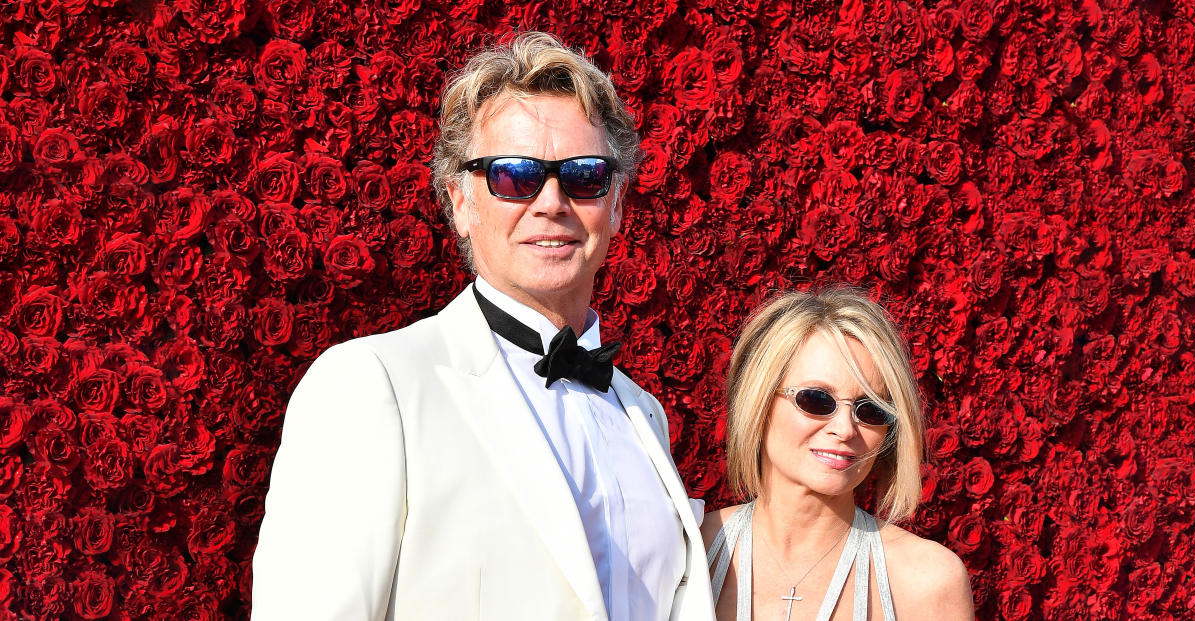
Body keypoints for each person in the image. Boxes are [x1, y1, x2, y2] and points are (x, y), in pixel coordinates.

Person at [251, 32, 713, 620]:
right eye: (514, 175)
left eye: (584, 175)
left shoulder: (642, 413)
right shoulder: (372, 384)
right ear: (461, 202)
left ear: (617, 203)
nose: (551, 201)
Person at [701, 289, 973, 620]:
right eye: (816, 399)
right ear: (759, 401)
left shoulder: (928, 581)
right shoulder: (689, 551)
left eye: (871, 409)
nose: (845, 429)